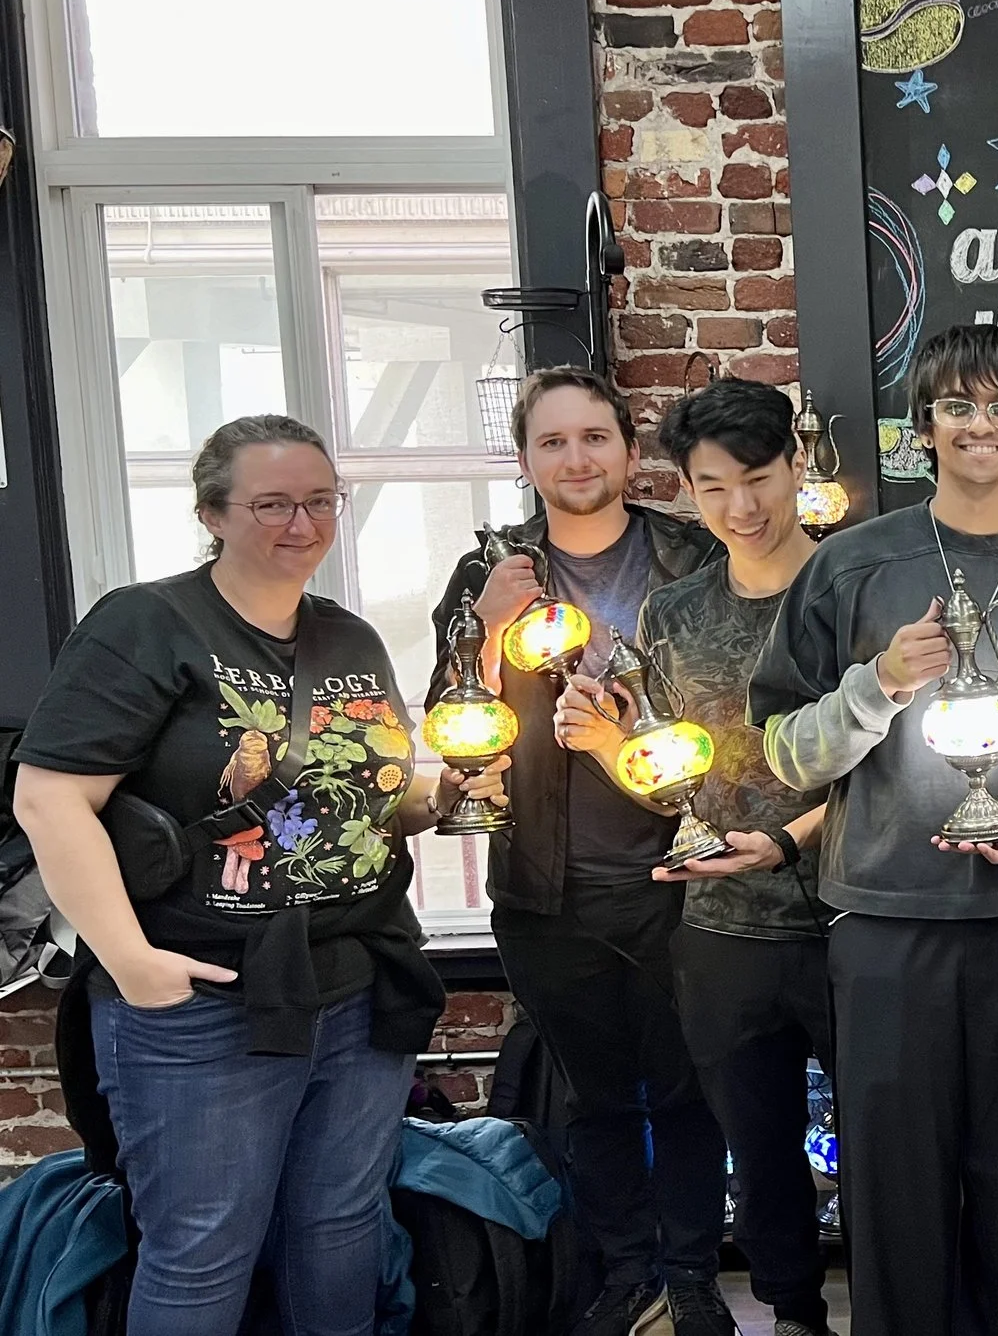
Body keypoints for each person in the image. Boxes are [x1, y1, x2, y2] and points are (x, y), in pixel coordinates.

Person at [11, 415, 505, 1336]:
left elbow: (356, 798)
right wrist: (129, 960)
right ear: (213, 513)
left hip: (355, 985)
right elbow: (49, 801)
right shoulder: (147, 624)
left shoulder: (349, 638)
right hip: (204, 993)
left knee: (341, 1227)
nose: (301, 523)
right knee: (201, 1248)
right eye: (272, 503)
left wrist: (439, 802)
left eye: (320, 501)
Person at [750, 324, 998, 1336]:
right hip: (882, 919)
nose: (980, 426)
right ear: (923, 428)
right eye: (957, 406)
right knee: (894, 1183)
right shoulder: (850, 567)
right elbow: (784, 752)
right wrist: (879, 684)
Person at [425, 366, 734, 1336]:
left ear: (628, 450)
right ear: (526, 459)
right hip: (546, 883)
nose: (576, 457)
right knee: (596, 1096)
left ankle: (690, 1278)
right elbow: (449, 719)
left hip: (681, 872)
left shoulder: (693, 554)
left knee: (689, 1087)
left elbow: (738, 699)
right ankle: (621, 1273)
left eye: (593, 437)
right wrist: (487, 629)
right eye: (552, 441)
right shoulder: (490, 571)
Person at [552, 378, 836, 1336]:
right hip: (721, 930)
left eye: (758, 479)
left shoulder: (853, 585)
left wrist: (791, 841)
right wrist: (605, 749)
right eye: (713, 488)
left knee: (891, 1145)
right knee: (757, 1156)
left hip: (855, 915)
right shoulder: (672, 612)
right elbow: (671, 781)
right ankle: (795, 1313)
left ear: (797, 465)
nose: (742, 508)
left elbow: (900, 764)